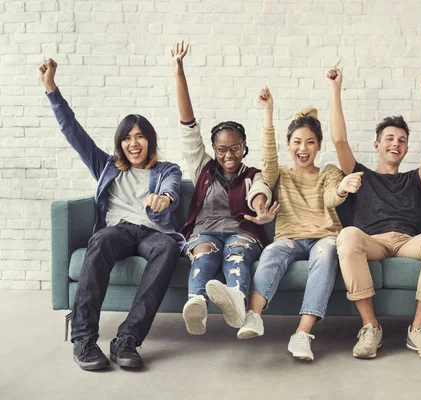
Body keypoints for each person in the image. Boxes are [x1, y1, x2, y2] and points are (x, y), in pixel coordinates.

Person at [40, 58, 183, 371]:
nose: (134, 143)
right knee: (101, 240)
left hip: (152, 233)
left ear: (150, 141)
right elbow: (72, 131)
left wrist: (165, 198)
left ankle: (127, 339)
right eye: (127, 137)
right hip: (117, 231)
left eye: (140, 136)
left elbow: (172, 188)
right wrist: (51, 89)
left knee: (169, 247)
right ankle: (83, 338)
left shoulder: (167, 169)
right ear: (120, 143)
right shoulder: (106, 166)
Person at [329, 67, 421, 361]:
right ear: (377, 144)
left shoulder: (415, 179)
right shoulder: (360, 174)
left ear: (406, 148)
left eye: (401, 140)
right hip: (371, 241)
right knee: (347, 235)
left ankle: (419, 328)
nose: (395, 144)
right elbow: (339, 141)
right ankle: (371, 327)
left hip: (407, 242)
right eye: (389, 138)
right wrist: (335, 90)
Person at [236, 86, 362, 361]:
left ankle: (302, 334)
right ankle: (254, 315)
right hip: (289, 237)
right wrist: (268, 112)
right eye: (296, 142)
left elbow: (331, 198)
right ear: (289, 144)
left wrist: (342, 187)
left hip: (324, 237)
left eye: (310, 142)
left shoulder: (329, 171)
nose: (303, 148)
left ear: (318, 146)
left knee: (327, 251)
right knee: (270, 252)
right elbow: (268, 159)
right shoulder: (280, 172)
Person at [170, 41, 278, 335]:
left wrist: (260, 210)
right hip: (204, 232)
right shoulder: (202, 168)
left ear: (244, 148)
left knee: (237, 254)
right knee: (204, 253)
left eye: (235, 149)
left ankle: (237, 301)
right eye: (221, 149)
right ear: (213, 149)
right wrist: (179, 72)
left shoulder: (252, 174)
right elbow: (187, 125)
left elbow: (260, 191)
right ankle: (196, 304)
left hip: (243, 232)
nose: (228, 156)